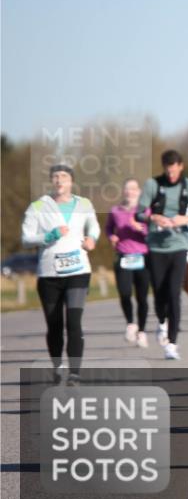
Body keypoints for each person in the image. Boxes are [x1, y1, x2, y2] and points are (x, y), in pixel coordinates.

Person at [21, 164, 100, 385]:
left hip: (78, 270)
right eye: (55, 176)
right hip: (49, 274)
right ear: (51, 181)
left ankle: (75, 373)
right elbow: (26, 238)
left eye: (63, 176)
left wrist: (92, 238)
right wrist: (49, 235)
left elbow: (94, 226)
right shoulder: (38, 206)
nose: (59, 180)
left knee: (74, 322)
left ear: (71, 181)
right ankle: (57, 366)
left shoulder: (84, 204)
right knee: (54, 325)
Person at [135, 150, 188, 360]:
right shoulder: (153, 185)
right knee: (159, 292)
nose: (171, 174)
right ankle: (162, 322)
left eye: (175, 170)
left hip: (179, 245)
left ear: (181, 166)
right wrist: (153, 218)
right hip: (156, 247)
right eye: (168, 170)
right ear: (164, 168)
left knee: (174, 292)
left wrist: (186, 220)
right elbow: (139, 214)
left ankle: (172, 344)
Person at [106, 178, 151, 348]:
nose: (130, 192)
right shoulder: (115, 211)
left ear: (139, 192)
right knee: (124, 293)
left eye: (133, 189)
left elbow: (152, 230)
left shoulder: (144, 210)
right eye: (127, 189)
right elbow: (109, 228)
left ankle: (142, 332)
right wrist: (112, 237)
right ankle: (131, 323)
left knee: (142, 297)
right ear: (123, 192)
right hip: (124, 256)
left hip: (142, 257)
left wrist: (141, 228)